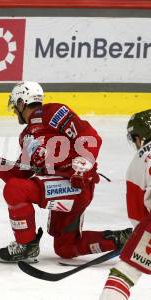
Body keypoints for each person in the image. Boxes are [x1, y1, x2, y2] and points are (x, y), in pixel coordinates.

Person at [0, 81, 132, 263]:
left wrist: (83, 165)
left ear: (22, 103)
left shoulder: (51, 112)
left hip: (76, 184)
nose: (15, 111)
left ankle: (26, 245)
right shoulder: (27, 136)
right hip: (62, 189)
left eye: (16, 106)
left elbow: (89, 135)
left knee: (15, 189)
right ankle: (124, 239)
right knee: (65, 248)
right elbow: (22, 173)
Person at [99, 109, 151, 300]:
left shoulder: (142, 158)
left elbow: (138, 214)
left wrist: (137, 237)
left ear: (141, 137)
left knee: (123, 274)